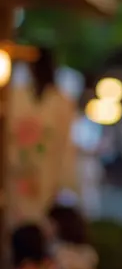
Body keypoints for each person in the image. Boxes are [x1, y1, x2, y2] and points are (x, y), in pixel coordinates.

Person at [7, 47, 78, 227]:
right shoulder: (16, 95)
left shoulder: (62, 101)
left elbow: (66, 145)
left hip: (46, 174)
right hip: (14, 171)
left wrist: (64, 181)